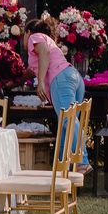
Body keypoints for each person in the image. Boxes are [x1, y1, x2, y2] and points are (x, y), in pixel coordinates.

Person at [27, 13, 87, 167]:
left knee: (68, 120)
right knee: (67, 125)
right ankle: (62, 165)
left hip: (61, 79)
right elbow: (31, 68)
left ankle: (82, 162)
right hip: (73, 77)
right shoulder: (49, 41)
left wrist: (40, 82)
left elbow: (44, 54)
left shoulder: (34, 37)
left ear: (28, 32)